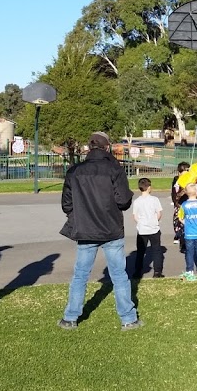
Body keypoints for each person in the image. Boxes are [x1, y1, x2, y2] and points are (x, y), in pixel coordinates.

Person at [58, 132, 142, 331]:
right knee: (119, 275)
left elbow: (66, 205)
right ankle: (128, 319)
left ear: (90, 147)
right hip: (111, 228)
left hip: (86, 229)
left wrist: (81, 213)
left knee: (80, 274)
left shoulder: (75, 171)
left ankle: (70, 318)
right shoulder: (114, 168)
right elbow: (123, 200)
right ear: (107, 147)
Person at [132, 177, 164, 279]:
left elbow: (135, 216)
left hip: (142, 229)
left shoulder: (137, 201)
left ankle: (137, 271)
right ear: (149, 187)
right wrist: (155, 221)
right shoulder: (154, 200)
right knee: (157, 250)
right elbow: (159, 213)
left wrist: (140, 222)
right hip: (153, 228)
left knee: (141, 251)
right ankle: (157, 272)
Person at [179, 183, 197, 278]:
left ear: (186, 193)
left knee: (189, 251)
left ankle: (190, 269)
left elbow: (180, 217)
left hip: (188, 232)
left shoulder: (184, 205)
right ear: (196, 192)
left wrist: (186, 223)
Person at [171, 161, 191, 252]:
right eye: (184, 171)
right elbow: (175, 194)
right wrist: (176, 202)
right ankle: (179, 237)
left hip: (188, 205)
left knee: (186, 225)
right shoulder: (177, 181)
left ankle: (184, 244)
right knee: (178, 224)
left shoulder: (190, 181)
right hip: (179, 205)